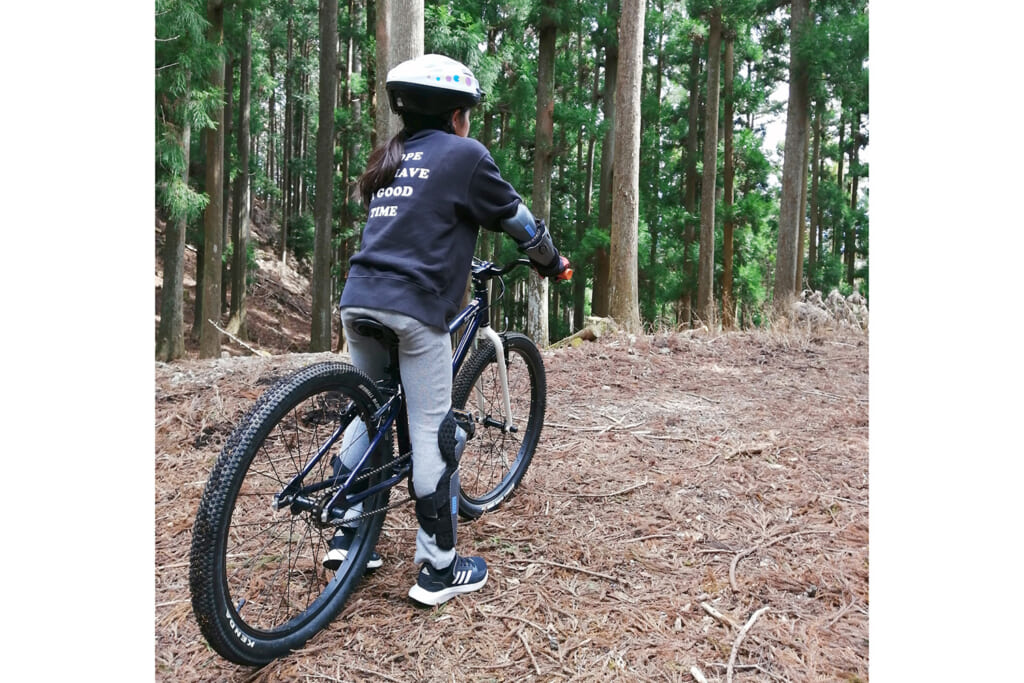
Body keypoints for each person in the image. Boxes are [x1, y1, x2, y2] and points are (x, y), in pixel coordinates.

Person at [325, 54, 570, 607]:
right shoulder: (466, 155)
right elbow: (519, 221)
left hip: (358, 299)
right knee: (436, 431)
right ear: (457, 115)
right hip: (414, 311)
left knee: (370, 410)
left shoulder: (388, 159)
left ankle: (347, 534)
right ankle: (438, 569)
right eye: (469, 114)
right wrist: (551, 260)